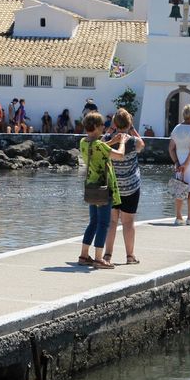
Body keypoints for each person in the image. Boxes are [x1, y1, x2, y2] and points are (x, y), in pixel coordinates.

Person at [77, 112, 125, 269]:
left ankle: (84, 255)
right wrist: (122, 142)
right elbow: (119, 156)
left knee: (93, 221)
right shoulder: (100, 145)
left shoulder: (83, 142)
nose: (104, 127)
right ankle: (99, 258)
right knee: (104, 223)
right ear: (97, 127)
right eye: (102, 125)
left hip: (91, 186)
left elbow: (97, 149)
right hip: (104, 187)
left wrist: (110, 141)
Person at [102, 109, 144, 265]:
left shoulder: (107, 139)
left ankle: (107, 255)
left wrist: (112, 129)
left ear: (114, 122)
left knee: (112, 222)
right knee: (128, 222)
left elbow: (101, 143)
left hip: (113, 187)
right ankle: (130, 256)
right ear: (129, 123)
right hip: (131, 187)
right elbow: (142, 144)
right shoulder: (133, 141)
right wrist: (132, 128)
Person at [169, 104, 190, 225]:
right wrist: (186, 164)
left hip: (179, 162)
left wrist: (178, 163)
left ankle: (178, 217)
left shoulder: (176, 129)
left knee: (180, 189)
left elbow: (171, 148)